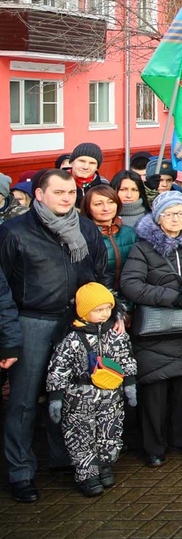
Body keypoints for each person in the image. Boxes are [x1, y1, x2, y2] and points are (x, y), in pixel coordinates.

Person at [0, 169, 109, 503]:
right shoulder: (14, 231)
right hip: (31, 321)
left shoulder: (86, 228)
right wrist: (8, 337)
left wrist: (109, 313)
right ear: (39, 195)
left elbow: (101, 274)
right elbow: (3, 287)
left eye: (71, 192)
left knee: (75, 397)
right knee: (23, 402)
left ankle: (69, 460)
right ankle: (20, 472)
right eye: (59, 192)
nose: (66, 198)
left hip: (75, 324)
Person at [119, 190, 182, 468]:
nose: (175, 218)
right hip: (156, 330)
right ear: (158, 218)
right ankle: (154, 447)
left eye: (180, 213)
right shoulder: (143, 248)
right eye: (169, 214)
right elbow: (131, 284)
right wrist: (171, 297)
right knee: (155, 392)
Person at [44, 282, 137, 497]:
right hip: (79, 397)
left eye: (108, 308)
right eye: (98, 310)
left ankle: (104, 466)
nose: (104, 314)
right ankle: (87, 475)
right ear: (84, 311)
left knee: (110, 433)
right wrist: (56, 396)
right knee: (80, 435)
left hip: (110, 396)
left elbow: (127, 359)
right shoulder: (71, 338)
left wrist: (130, 384)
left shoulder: (116, 334)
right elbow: (58, 367)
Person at [82, 184, 137, 305]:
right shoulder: (83, 236)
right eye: (98, 204)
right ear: (88, 208)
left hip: (130, 300)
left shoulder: (131, 233)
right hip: (96, 303)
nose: (106, 208)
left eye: (111, 202)